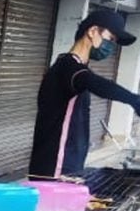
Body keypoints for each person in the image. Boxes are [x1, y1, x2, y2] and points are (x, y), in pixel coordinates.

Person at [30, 9, 140, 176]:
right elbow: (95, 83)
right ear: (92, 31)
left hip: (67, 166)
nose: (110, 47)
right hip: (54, 168)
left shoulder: (73, 68)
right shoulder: (68, 67)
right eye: (110, 39)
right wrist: (133, 100)